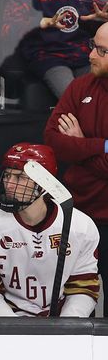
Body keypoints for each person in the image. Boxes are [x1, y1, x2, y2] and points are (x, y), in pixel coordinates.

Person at [0, 143, 100, 318]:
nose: (9, 184)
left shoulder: (81, 227)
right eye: (7, 176)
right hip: (9, 323)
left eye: (20, 177)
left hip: (60, 320)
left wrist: (67, 328)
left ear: (45, 184)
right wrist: (13, 330)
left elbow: (83, 287)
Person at [43, 21, 108, 296]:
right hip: (77, 216)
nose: (90, 55)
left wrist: (80, 145)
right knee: (71, 299)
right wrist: (100, 146)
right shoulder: (81, 86)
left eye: (102, 51)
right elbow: (54, 139)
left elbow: (71, 148)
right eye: (93, 46)